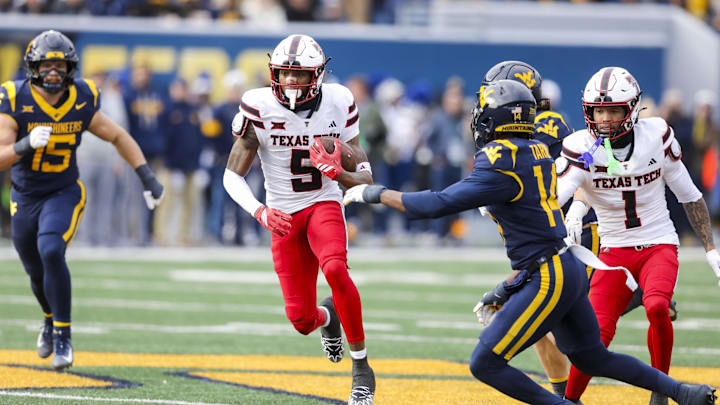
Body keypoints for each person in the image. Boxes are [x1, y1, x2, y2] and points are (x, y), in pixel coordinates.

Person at [343, 79, 717, 405]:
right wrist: (508, 285)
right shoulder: (538, 149)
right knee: (592, 357)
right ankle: (683, 392)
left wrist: (373, 193)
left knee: (484, 362)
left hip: (548, 274)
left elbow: (436, 204)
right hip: (565, 266)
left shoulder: (500, 160)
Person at [222, 34, 375, 405]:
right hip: (282, 214)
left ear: (318, 76)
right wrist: (260, 210)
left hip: (323, 202)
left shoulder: (339, 100)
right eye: (284, 74)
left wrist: (339, 173)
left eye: (298, 75)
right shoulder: (257, 106)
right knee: (302, 320)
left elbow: (366, 174)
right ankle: (329, 318)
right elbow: (231, 175)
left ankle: (361, 369)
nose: (289, 82)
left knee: (337, 270)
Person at [0, 30, 164, 370]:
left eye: (59, 65)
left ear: (71, 67)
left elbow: (118, 135)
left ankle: (63, 334)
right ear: (33, 67)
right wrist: (24, 145)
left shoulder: (82, 98)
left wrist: (146, 176)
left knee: (51, 249)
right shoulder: (14, 98)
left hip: (64, 191)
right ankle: (49, 318)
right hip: (25, 194)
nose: (53, 72)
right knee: (33, 267)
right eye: (46, 64)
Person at [557, 67, 720, 405]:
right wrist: (566, 208)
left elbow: (689, 195)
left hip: (658, 243)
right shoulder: (582, 146)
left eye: (612, 109)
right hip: (614, 252)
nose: (603, 118)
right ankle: (568, 401)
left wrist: (711, 251)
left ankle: (660, 390)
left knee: (658, 306)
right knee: (595, 336)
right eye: (598, 110)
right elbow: (561, 190)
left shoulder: (656, 136)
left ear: (631, 108)